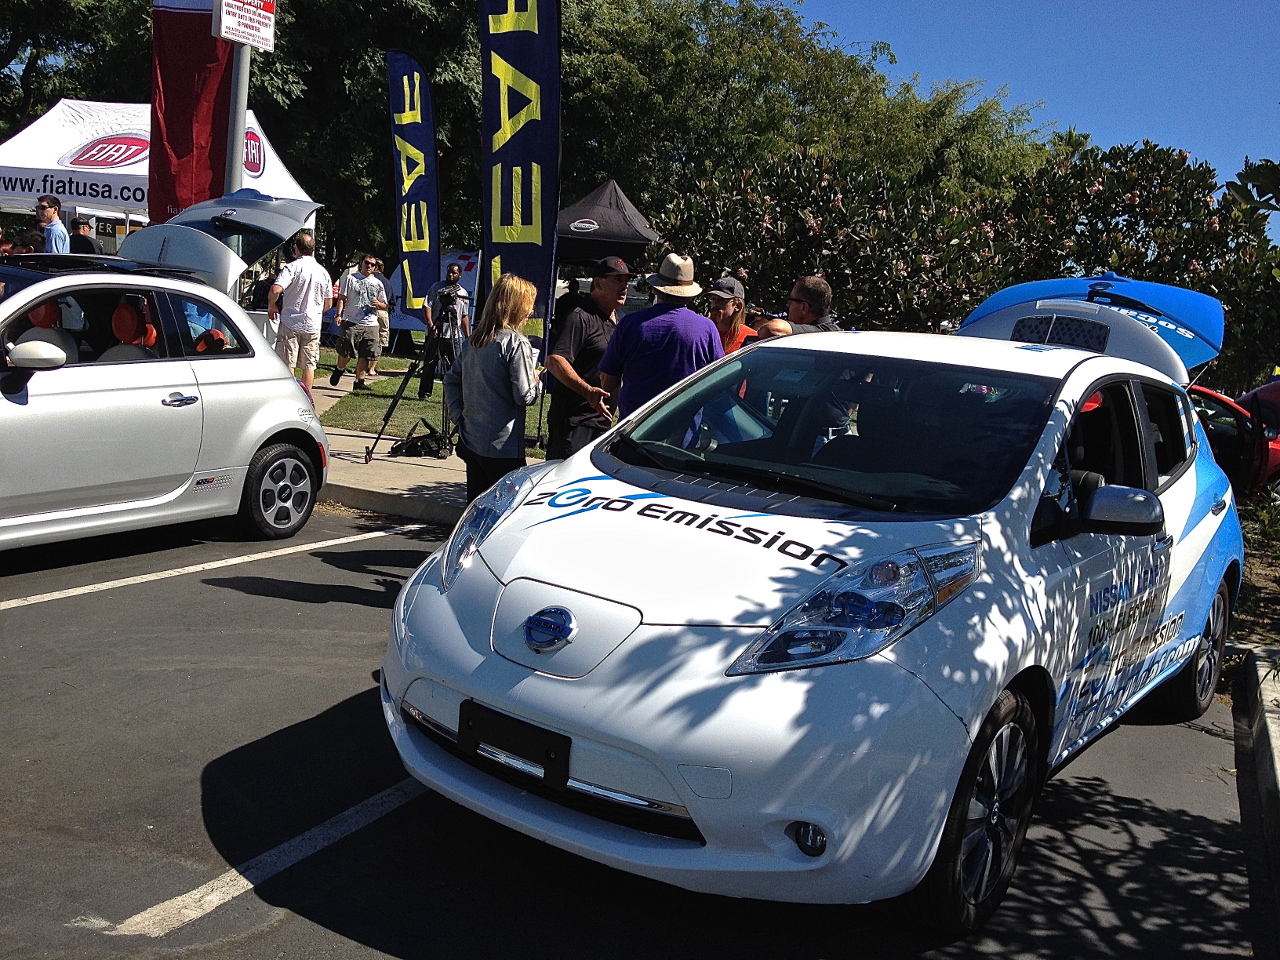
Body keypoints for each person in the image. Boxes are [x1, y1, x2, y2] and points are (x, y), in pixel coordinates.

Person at [444, 273, 542, 502]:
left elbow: (450, 380)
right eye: (529, 305)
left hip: (472, 440)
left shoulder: (475, 340)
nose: (531, 311)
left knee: (476, 509)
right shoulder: (516, 342)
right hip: (503, 446)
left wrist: (459, 416)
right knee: (504, 513)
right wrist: (537, 381)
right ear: (517, 307)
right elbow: (524, 396)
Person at [598, 253, 723, 419]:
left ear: (656, 288)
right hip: (683, 433)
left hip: (634, 431)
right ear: (690, 294)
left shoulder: (630, 324)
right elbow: (718, 382)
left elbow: (608, 382)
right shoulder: (707, 329)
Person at [545, 256, 634, 459]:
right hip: (575, 423)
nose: (625, 286)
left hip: (601, 424)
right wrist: (588, 392)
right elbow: (555, 361)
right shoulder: (579, 317)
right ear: (598, 283)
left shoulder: (615, 318)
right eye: (617, 280)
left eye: (626, 281)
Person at [267, 232, 332, 399]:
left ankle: (289, 397)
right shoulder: (323, 272)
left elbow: (276, 289)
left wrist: (272, 305)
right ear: (313, 249)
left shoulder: (292, 268)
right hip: (313, 324)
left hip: (291, 321)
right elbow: (328, 303)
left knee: (288, 361)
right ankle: (306, 398)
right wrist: (317, 312)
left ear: (296, 249)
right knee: (309, 364)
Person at [329, 253, 386, 392]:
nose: (370, 266)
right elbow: (342, 298)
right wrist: (338, 314)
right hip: (351, 321)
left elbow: (384, 305)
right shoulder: (351, 278)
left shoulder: (378, 283)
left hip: (371, 323)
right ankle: (339, 369)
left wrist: (378, 304)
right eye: (367, 263)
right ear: (361, 263)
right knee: (345, 353)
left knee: (366, 354)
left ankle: (359, 381)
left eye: (373, 265)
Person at [420, 262, 472, 399]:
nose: (450, 274)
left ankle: (455, 395)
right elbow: (427, 306)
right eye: (449, 272)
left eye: (454, 272)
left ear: (460, 275)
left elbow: (464, 315)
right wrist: (431, 325)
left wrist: (468, 336)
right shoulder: (437, 288)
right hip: (436, 333)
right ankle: (425, 393)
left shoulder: (463, 293)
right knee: (430, 363)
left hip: (454, 335)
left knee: (455, 366)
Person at [756, 275, 847, 339]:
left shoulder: (822, 333)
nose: (788, 304)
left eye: (791, 300)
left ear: (804, 307)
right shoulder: (832, 333)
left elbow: (770, 330)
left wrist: (762, 323)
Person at [706, 276, 756, 353]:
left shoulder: (751, 338)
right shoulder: (703, 333)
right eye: (713, 299)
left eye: (722, 300)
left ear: (737, 306)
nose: (715, 304)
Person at [368, 257, 397, 378]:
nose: (369, 267)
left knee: (367, 340)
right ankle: (372, 368)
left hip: (369, 312)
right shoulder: (387, 282)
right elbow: (392, 301)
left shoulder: (368, 280)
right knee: (379, 341)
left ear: (376, 267)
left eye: (372, 265)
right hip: (383, 312)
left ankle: (363, 366)